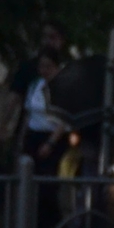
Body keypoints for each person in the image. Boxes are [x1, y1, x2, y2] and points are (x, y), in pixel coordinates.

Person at [19, 49, 72, 178]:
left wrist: (50, 143)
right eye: (42, 67)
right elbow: (28, 113)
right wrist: (22, 137)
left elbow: (63, 120)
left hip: (53, 136)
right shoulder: (35, 85)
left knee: (48, 178)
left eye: (49, 67)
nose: (44, 71)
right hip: (34, 134)